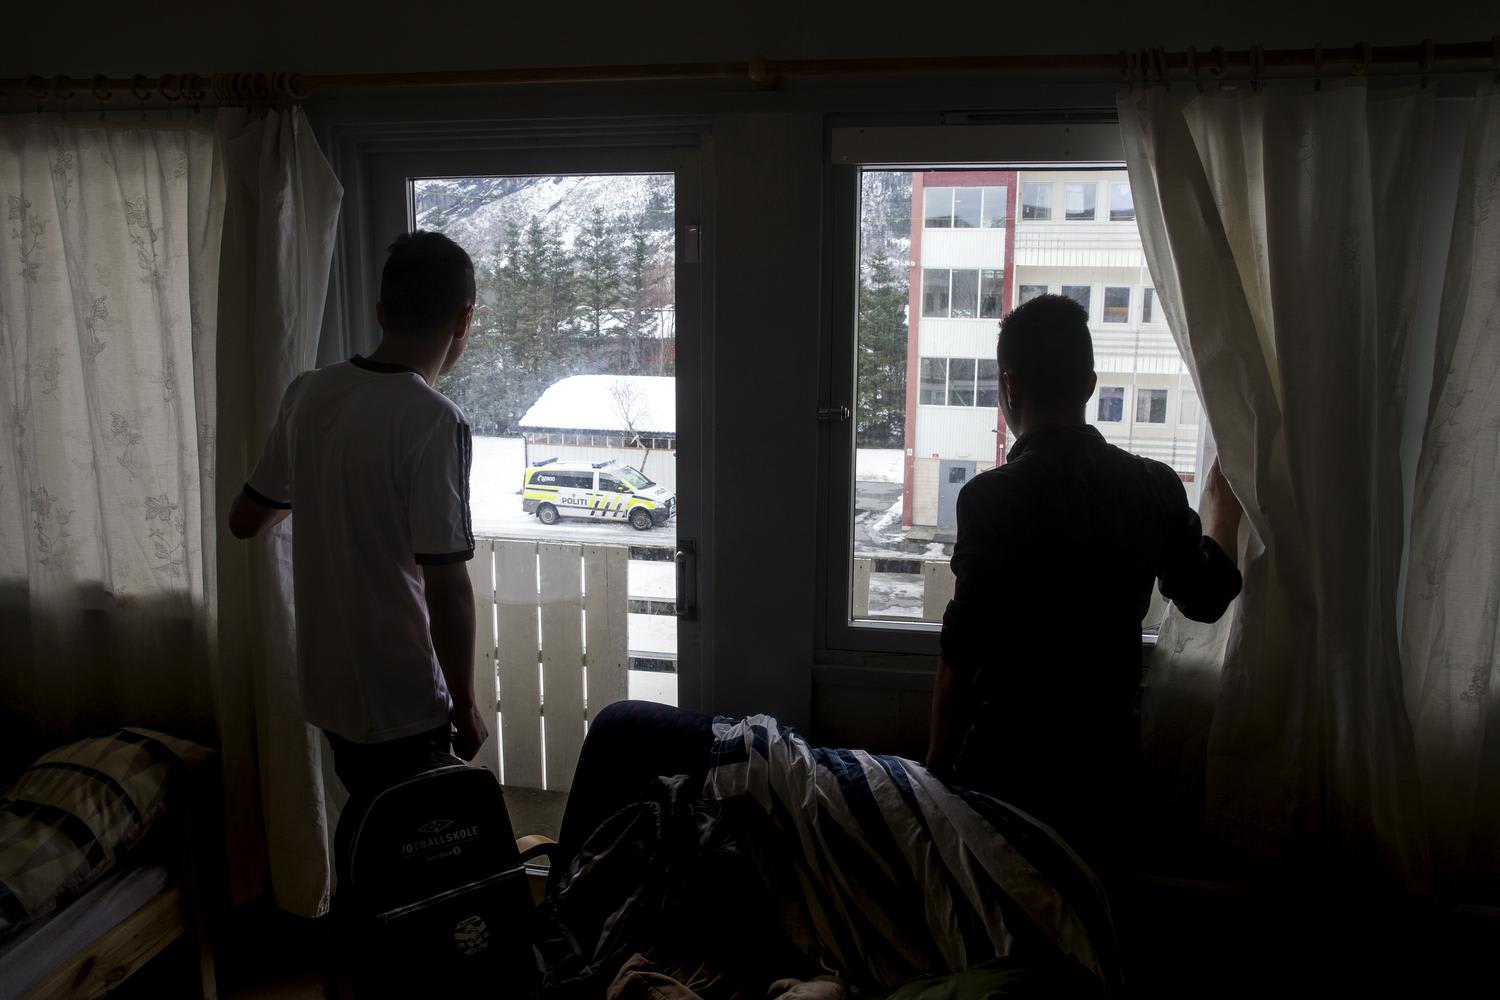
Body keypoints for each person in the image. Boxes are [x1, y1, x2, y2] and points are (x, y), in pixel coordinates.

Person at [925, 293, 1243, 875]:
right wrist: (1222, 510)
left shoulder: (988, 499)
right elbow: (1208, 596)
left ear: (1009, 388)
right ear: (1091, 385)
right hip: (1105, 776)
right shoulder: (1151, 487)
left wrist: (936, 775)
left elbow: (961, 655)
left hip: (1004, 772)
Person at [227, 230, 489, 810]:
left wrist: (324, 483)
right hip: (401, 699)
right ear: (463, 320)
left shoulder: (308, 393)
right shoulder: (434, 419)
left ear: (381, 313)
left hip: (328, 690)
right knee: (415, 845)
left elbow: (245, 519)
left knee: (369, 830)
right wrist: (465, 705)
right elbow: (447, 584)